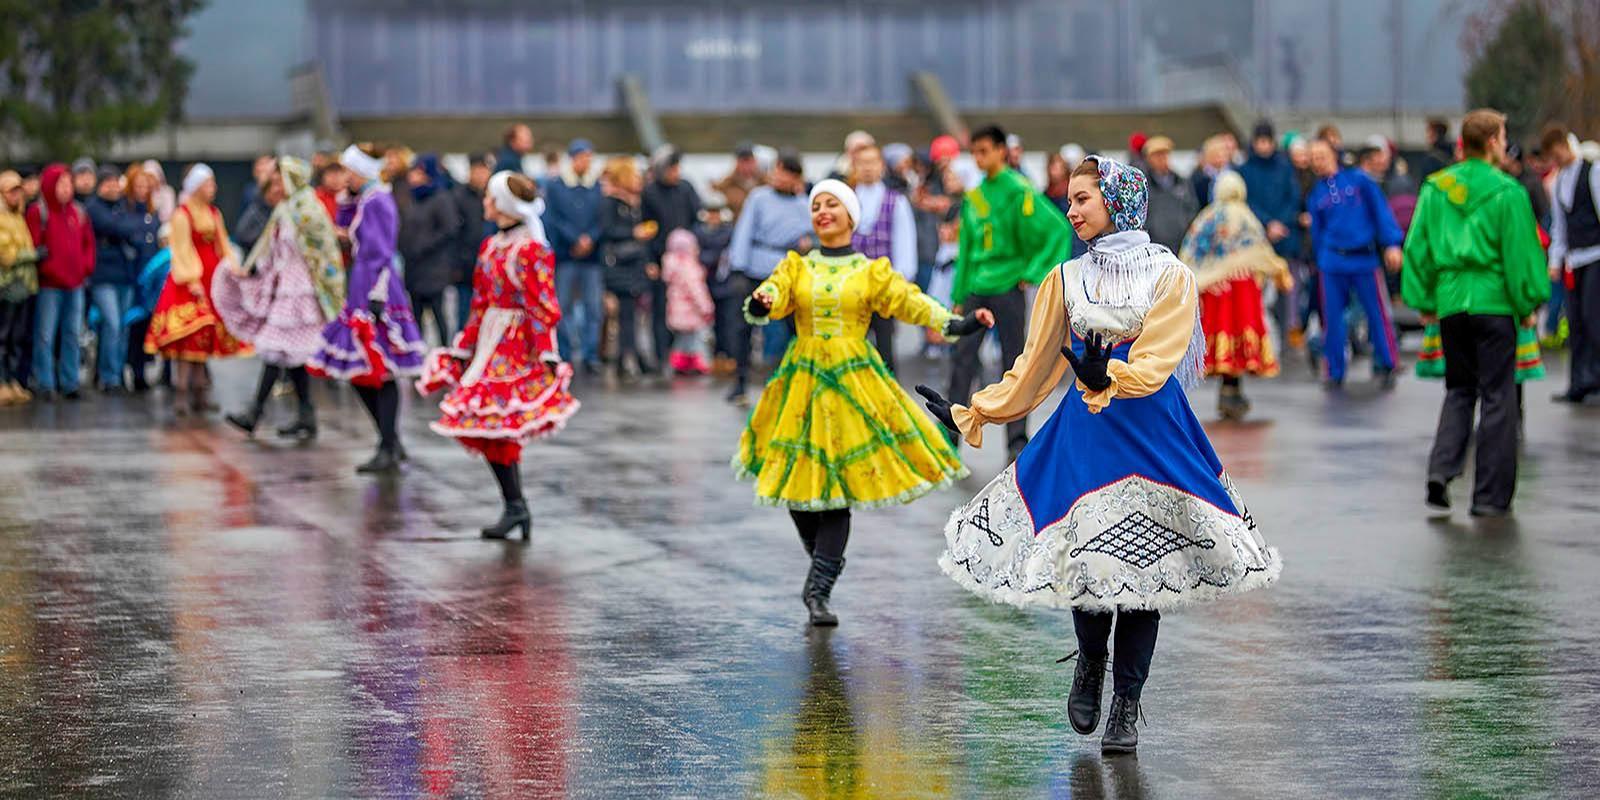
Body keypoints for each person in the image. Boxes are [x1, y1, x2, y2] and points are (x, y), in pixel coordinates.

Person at [924, 155, 1280, 754]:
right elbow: (1033, 367)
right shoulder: (1065, 279)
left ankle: (1128, 701)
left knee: (1147, 571)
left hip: (1151, 426)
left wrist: (1109, 373)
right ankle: (1090, 665)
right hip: (1086, 429)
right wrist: (976, 410)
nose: (1071, 209)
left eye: (1082, 198)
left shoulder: (1170, 275)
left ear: (1117, 201)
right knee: (1088, 559)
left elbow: (1160, 356)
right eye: (1070, 199)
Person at [735, 178, 993, 626]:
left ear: (851, 217)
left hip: (855, 383)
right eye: (816, 205)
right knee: (800, 485)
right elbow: (772, 298)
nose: (822, 212)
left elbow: (909, 302)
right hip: (803, 381)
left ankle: (819, 587)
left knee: (836, 489)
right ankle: (826, 560)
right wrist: (762, 302)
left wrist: (957, 323)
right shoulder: (796, 266)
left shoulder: (870, 271)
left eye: (832, 204)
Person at [1402, 109, 1548, 517]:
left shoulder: (1435, 188)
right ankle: (1489, 496)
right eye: (1503, 136)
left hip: (1451, 302)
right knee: (1499, 397)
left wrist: (1426, 302)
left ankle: (1441, 469)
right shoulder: (1508, 192)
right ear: (1494, 142)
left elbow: (1418, 248)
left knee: (1459, 390)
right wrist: (1529, 302)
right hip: (1494, 302)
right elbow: (1520, 255)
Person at [417, 170, 578, 539]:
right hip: (491, 339)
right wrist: (464, 345)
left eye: (490, 198)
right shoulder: (491, 246)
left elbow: (542, 305)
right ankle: (515, 506)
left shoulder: (531, 249)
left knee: (499, 424)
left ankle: (515, 506)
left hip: (515, 344)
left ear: (503, 205)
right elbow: (480, 301)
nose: (484, 204)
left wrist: (547, 354)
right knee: (491, 426)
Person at [946, 124, 1075, 461]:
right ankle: (950, 436)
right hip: (977, 287)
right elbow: (966, 247)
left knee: (1014, 361)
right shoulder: (974, 197)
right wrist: (958, 294)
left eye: (984, 150)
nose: (978, 158)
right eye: (974, 152)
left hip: (1007, 287)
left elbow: (1056, 230)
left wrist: (1031, 273)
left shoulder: (1020, 191)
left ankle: (1016, 439)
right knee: (961, 360)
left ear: (1002, 151)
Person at [308, 144, 428, 474]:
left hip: (376, 288)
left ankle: (388, 443)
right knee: (362, 369)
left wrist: (374, 296)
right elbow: (351, 229)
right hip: (363, 285)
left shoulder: (377, 200)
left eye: (348, 171)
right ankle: (389, 440)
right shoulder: (366, 198)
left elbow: (377, 250)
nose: (343, 178)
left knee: (380, 367)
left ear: (359, 171)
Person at [214, 156, 346, 440]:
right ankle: (305, 414)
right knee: (289, 353)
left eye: (278, 180)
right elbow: (270, 247)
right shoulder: (285, 209)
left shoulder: (307, 208)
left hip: (301, 292)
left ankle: (255, 412)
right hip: (285, 286)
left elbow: (324, 251)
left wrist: (326, 289)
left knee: (277, 349)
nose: (275, 186)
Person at [1179, 171, 1293, 419]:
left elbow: (1190, 252)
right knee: (1240, 335)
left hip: (1216, 288)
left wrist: (1198, 279)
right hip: (1242, 287)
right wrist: (1279, 271)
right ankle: (1233, 391)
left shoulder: (1207, 218)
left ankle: (1229, 391)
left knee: (1222, 335)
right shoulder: (1246, 217)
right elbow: (1260, 251)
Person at [144, 164, 252, 414]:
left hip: (211, 279)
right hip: (190, 281)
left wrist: (234, 268)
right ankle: (181, 392)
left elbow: (223, 243)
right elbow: (180, 249)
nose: (212, 188)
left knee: (204, 339)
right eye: (208, 184)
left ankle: (200, 392)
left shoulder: (213, 213)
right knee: (187, 337)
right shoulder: (182, 214)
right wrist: (191, 279)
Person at [1306, 138, 1405, 389]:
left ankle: (1387, 362)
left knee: (1377, 313)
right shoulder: (1316, 193)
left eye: (1322, 155)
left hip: (1364, 258)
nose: (1318, 161)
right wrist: (1319, 261)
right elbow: (1317, 233)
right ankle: (1335, 370)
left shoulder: (1359, 181)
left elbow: (1381, 213)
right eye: (1313, 157)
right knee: (1332, 319)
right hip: (1331, 260)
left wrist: (1392, 243)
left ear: (1334, 154)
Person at [725, 151, 815, 404]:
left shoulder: (804, 204)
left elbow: (814, 234)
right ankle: (739, 381)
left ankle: (796, 379)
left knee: (794, 328)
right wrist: (738, 268)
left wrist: (808, 245)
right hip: (755, 268)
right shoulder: (759, 198)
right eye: (776, 170)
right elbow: (744, 231)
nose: (778, 176)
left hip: (787, 270)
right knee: (744, 326)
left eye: (784, 172)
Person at [25, 163, 96, 401]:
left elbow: (88, 244)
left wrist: (85, 267)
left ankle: (70, 381)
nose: (66, 189)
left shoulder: (79, 212)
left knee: (72, 333)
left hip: (75, 284)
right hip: (49, 285)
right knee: (45, 334)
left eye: (68, 183)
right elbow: (34, 246)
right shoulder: (39, 212)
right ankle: (45, 382)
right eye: (61, 184)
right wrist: (47, 269)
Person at [1542, 124, 1600, 404]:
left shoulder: (1593, 171)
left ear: (1565, 145)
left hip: (1596, 254)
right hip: (1573, 258)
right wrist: (1556, 259)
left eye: (1556, 153)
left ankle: (1595, 377)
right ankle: (1579, 381)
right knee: (1575, 321)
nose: (1556, 160)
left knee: (1594, 319)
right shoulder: (1559, 181)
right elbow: (1559, 226)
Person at [849, 144, 917, 374]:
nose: (867, 168)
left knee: (885, 347)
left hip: (882, 287)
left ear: (881, 166)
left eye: (872, 162)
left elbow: (904, 244)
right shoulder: (845, 200)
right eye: (862, 163)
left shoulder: (895, 201)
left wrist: (900, 281)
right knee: (852, 346)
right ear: (854, 167)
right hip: (851, 287)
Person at [543, 139, 604, 373]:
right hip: (566, 255)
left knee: (593, 307)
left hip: (591, 257)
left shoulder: (596, 186)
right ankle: (566, 352)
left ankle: (591, 354)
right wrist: (574, 239)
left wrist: (590, 238)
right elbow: (554, 219)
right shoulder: (557, 186)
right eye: (582, 157)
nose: (586, 161)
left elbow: (601, 219)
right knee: (563, 306)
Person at [642, 146, 702, 372]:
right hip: (660, 258)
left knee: (687, 310)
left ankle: (685, 356)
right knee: (660, 309)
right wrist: (650, 260)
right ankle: (661, 355)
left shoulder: (686, 188)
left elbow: (697, 219)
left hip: (686, 260)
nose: (676, 172)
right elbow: (646, 228)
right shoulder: (650, 192)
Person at [597, 156, 655, 378]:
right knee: (624, 315)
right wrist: (633, 233)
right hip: (618, 266)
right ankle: (624, 357)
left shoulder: (633, 204)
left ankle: (630, 356)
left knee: (632, 315)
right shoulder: (610, 202)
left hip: (634, 265)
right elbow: (606, 231)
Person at [399, 153, 463, 346]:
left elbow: (449, 228)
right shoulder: (411, 198)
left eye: (417, 172)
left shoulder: (440, 198)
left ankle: (445, 356)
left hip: (434, 269)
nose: (412, 176)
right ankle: (417, 360)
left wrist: (424, 244)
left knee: (439, 317)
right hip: (414, 268)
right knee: (415, 318)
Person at [85, 166, 139, 392]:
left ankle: (118, 373)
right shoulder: (93, 207)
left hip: (124, 275)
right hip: (103, 276)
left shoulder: (123, 205)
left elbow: (133, 227)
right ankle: (109, 377)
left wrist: (122, 227)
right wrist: (122, 227)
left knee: (123, 327)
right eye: (108, 182)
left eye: (116, 182)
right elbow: (113, 226)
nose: (113, 186)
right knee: (112, 324)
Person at [1236, 121, 1301, 300]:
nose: (1264, 146)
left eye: (1267, 141)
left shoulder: (1285, 168)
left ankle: (1289, 327)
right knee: (1256, 293)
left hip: (1285, 237)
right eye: (1260, 141)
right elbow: (1245, 201)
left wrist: (1280, 223)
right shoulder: (1244, 170)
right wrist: (1267, 223)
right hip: (1256, 238)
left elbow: (1293, 197)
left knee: (1288, 290)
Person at [0, 171, 40, 404]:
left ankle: (13, 381)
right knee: (3, 337)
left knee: (17, 337)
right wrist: (32, 255)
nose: (16, 196)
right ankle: (2, 382)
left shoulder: (18, 217)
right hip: (6, 286)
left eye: (18, 191)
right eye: (11, 191)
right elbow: (6, 254)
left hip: (23, 287)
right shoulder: (3, 218)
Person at [661, 228, 715, 374]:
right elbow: (697, 290)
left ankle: (679, 362)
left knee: (681, 339)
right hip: (691, 311)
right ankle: (700, 362)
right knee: (697, 338)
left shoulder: (670, 264)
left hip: (676, 312)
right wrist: (706, 307)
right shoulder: (689, 266)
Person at [450, 156, 492, 332]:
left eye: (485, 170)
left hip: (489, 267)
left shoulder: (492, 197)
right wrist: (456, 265)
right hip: (467, 266)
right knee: (464, 314)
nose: (481, 175)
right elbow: (453, 234)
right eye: (478, 170)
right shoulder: (458, 196)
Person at [1140, 135, 1198, 253]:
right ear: (1148, 158)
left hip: (1180, 246)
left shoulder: (1182, 182)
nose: (1162, 158)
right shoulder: (1142, 184)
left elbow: (1192, 208)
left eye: (1165, 154)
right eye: (1157, 155)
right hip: (1153, 248)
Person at [713, 142, 765, 219]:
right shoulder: (727, 185)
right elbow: (714, 190)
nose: (746, 166)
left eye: (749, 161)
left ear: (755, 161)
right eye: (742, 162)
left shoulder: (766, 183)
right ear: (737, 163)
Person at [1189, 135, 1229, 207]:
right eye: (1217, 154)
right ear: (1209, 155)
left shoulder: (1232, 174)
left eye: (1224, 153)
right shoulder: (1199, 178)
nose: (1221, 157)